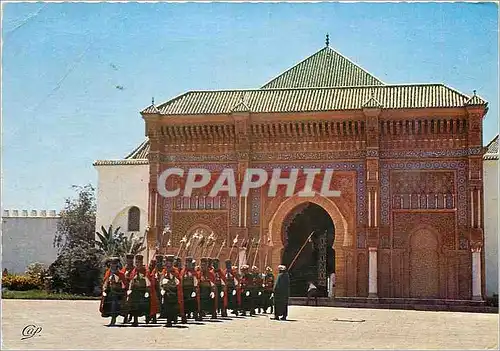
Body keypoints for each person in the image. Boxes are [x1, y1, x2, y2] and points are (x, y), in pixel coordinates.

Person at [100, 257, 126, 326]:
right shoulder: (108, 272)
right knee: (108, 304)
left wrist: (119, 284)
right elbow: (105, 281)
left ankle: (113, 319)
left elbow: (124, 284)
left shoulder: (121, 274)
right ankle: (108, 315)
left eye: (114, 264)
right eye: (111, 263)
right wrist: (105, 287)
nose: (112, 265)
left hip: (118, 293)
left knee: (114, 305)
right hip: (109, 292)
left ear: (117, 264)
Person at [127, 255, 151, 326]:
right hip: (135, 291)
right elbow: (131, 281)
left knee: (144, 305)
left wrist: (147, 290)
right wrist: (130, 289)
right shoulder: (134, 271)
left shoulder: (145, 271)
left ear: (141, 262)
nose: (137, 264)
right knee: (134, 306)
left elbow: (148, 282)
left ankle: (147, 317)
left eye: (139, 262)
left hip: (143, 291)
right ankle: (135, 320)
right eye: (136, 262)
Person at [160, 255, 184, 327]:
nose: (167, 264)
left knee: (173, 307)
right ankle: (168, 321)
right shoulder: (164, 271)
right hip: (166, 292)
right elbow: (161, 281)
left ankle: (173, 319)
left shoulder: (175, 271)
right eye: (166, 263)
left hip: (173, 292)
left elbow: (178, 282)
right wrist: (162, 288)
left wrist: (171, 281)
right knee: (167, 307)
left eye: (169, 263)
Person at [180, 256, 201, 322]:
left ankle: (196, 315)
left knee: (193, 303)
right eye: (187, 263)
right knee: (184, 304)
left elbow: (196, 282)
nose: (187, 264)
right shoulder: (183, 272)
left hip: (191, 290)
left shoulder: (194, 272)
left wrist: (195, 290)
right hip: (184, 290)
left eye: (189, 263)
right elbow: (181, 281)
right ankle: (184, 317)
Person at [148, 255, 163, 323]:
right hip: (154, 289)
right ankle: (153, 318)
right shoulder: (154, 270)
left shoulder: (164, 269)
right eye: (157, 262)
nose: (158, 263)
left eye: (160, 262)